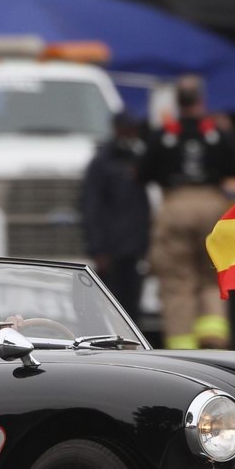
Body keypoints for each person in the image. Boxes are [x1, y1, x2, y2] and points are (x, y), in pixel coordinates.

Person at [139, 75, 235, 349]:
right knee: (213, 274)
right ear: (201, 99)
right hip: (213, 205)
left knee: (177, 281)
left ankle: (182, 345)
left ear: (176, 101)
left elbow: (142, 173)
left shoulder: (164, 133)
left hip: (175, 204)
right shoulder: (218, 131)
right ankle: (214, 337)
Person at [79, 111, 151, 320]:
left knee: (132, 305)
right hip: (111, 251)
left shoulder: (136, 159)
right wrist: (98, 249)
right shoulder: (102, 163)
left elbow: (142, 206)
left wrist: (144, 244)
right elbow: (91, 207)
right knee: (111, 306)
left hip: (133, 249)